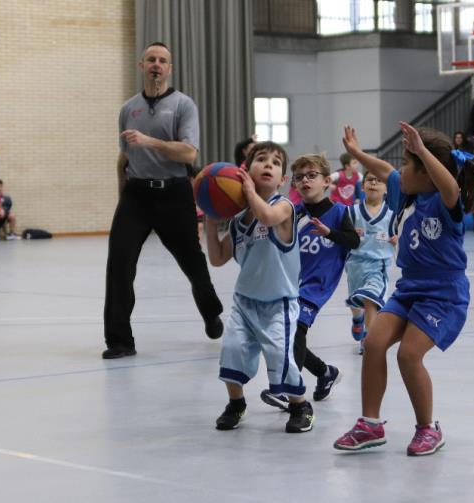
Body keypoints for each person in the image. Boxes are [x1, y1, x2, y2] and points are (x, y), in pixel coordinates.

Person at [333, 122, 474, 456]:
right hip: (409, 288)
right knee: (373, 342)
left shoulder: (445, 201)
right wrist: (356, 153)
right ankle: (369, 424)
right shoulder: (406, 192)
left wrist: (423, 151)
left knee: (409, 355)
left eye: (408, 163)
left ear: (428, 172)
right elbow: (384, 169)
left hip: (443, 294)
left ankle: (428, 428)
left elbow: (450, 187)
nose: (400, 169)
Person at [103, 42, 223, 359]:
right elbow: (124, 158)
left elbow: (188, 152)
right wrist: (122, 200)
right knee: (119, 263)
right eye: (151, 59)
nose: (157, 64)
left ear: (169, 68)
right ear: (142, 65)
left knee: (193, 264)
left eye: (163, 60)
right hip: (137, 195)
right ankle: (119, 340)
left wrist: (149, 141)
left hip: (174, 193)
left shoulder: (183, 105)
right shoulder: (129, 109)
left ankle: (211, 311)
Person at [204, 141, 314, 433]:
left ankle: (300, 404)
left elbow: (266, 216)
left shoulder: (284, 207)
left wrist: (249, 192)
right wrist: (211, 218)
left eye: (275, 163)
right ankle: (236, 404)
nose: (268, 165)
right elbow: (216, 259)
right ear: (246, 170)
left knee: (280, 357)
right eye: (261, 160)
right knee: (231, 349)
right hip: (245, 301)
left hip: (279, 302)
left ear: (283, 179)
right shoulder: (238, 221)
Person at [261, 153, 359, 409]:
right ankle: (325, 372)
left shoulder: (340, 212)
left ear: (327, 181)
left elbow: (354, 241)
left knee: (296, 329)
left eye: (312, 175)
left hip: (317, 284)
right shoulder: (294, 212)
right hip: (290, 282)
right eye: (300, 177)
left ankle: (286, 388)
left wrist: (331, 233)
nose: (305, 180)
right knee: (286, 336)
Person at [346, 170, 396, 353]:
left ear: (386, 189)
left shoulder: (392, 215)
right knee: (355, 303)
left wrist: (398, 239)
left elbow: (402, 237)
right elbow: (342, 237)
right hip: (354, 264)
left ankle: (368, 339)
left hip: (378, 265)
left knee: (370, 299)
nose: (374, 183)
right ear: (363, 186)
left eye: (379, 180)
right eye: (370, 180)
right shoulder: (351, 212)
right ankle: (357, 319)